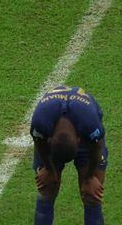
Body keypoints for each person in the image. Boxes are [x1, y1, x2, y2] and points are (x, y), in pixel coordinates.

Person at [30, 86, 107, 225]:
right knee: (47, 190)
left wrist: (89, 178)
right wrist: (48, 168)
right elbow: (39, 142)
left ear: (79, 140)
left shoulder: (89, 123)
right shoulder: (41, 122)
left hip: (87, 133)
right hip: (52, 131)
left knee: (92, 196)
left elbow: (97, 146)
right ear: (49, 139)